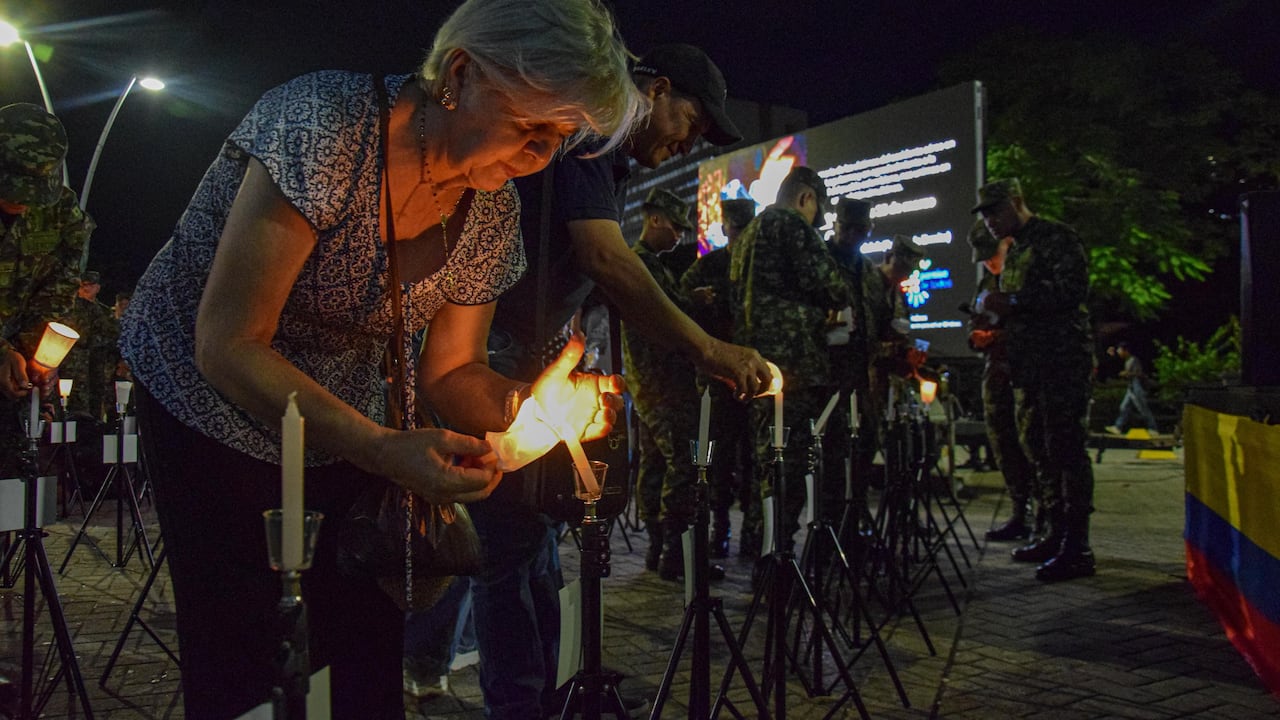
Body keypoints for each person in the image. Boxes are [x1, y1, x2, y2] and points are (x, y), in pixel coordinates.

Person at [117, 2, 645, 717]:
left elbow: (450, 372)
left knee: (362, 637)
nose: (539, 157)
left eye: (558, 139)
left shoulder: (489, 211)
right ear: (459, 74)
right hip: (209, 396)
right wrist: (380, 447)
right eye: (530, 127)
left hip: (351, 414)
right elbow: (230, 343)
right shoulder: (325, 127)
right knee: (252, 646)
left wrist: (531, 408)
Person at [475, 43, 770, 720]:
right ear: (656, 89)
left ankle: (551, 697)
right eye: (691, 122)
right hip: (493, 358)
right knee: (510, 552)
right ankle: (519, 707)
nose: (688, 144)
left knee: (538, 547)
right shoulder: (591, 133)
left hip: (528, 358)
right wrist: (706, 349)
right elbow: (604, 257)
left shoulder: (601, 149)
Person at [974, 178, 1096, 582]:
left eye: (995, 211)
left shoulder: (1056, 237)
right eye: (985, 215)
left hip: (1061, 361)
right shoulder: (1016, 249)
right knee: (1038, 447)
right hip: (1027, 366)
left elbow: (1072, 291)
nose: (990, 221)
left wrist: (1010, 301)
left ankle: (1077, 546)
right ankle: (1053, 533)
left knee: (1066, 448)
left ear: (1016, 202)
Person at [728, 166, 853, 553]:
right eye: (817, 212)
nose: (816, 221)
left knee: (764, 457)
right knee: (790, 461)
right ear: (805, 198)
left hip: (756, 365)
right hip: (794, 366)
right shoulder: (792, 225)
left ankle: (758, 540)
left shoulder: (749, 233)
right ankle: (778, 553)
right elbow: (833, 288)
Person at [622, 187, 724, 581]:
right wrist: (692, 302)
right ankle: (675, 555)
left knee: (654, 464)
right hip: (665, 383)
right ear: (654, 219)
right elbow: (666, 313)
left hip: (649, 384)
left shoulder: (644, 263)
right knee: (684, 464)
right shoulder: (643, 264)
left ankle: (657, 548)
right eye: (676, 227)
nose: (680, 236)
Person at [0, 102, 94, 477]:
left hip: (13, 378)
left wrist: (36, 359)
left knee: (13, 482)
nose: (24, 204)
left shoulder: (61, 213)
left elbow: (59, 287)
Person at [682, 197, 756, 557]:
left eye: (744, 229)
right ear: (725, 228)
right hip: (718, 379)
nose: (738, 235)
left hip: (755, 377)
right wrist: (697, 301)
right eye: (734, 228)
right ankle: (721, 529)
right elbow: (679, 301)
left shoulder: (760, 268)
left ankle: (755, 533)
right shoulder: (708, 266)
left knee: (756, 457)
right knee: (721, 458)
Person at [965, 221, 1038, 541]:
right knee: (1004, 445)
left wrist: (1003, 334)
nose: (988, 263)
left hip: (1026, 372)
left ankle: (1045, 516)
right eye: (983, 258)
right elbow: (975, 321)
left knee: (1033, 444)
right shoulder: (986, 282)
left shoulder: (1026, 276)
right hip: (995, 373)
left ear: (1006, 244)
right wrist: (976, 336)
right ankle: (1019, 511)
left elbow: (1040, 322)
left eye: (991, 255)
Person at [61, 270, 115, 421]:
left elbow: (112, 335)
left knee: (96, 398)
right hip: (74, 363)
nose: (85, 288)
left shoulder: (104, 312)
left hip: (98, 363)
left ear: (97, 287)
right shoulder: (70, 308)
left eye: (90, 285)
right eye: (82, 285)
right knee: (74, 399)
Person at [1107, 341, 1158, 435]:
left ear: (1126, 351)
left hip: (1136, 387)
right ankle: (1118, 426)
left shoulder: (1134, 360)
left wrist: (1127, 373)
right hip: (1131, 387)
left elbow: (1139, 373)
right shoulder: (1127, 361)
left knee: (1143, 408)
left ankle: (1153, 428)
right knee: (1124, 407)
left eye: (1120, 350)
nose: (1119, 353)